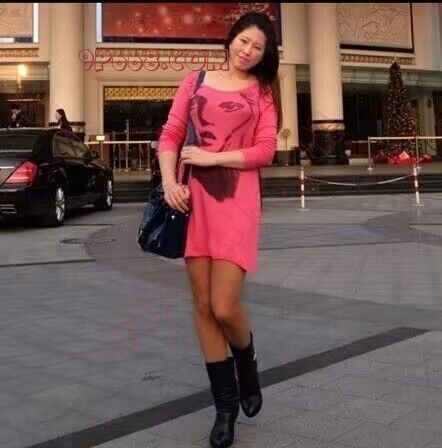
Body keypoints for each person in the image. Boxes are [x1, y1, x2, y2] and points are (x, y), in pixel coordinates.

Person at [156, 12, 281, 448]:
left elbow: (266, 150)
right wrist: (169, 183)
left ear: (264, 56)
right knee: (203, 304)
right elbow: (171, 134)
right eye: (244, 41)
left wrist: (211, 158)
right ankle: (224, 408)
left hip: (237, 201)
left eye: (257, 47)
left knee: (225, 307)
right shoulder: (195, 81)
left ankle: (247, 360)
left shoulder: (262, 92)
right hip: (194, 201)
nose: (248, 51)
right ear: (230, 40)